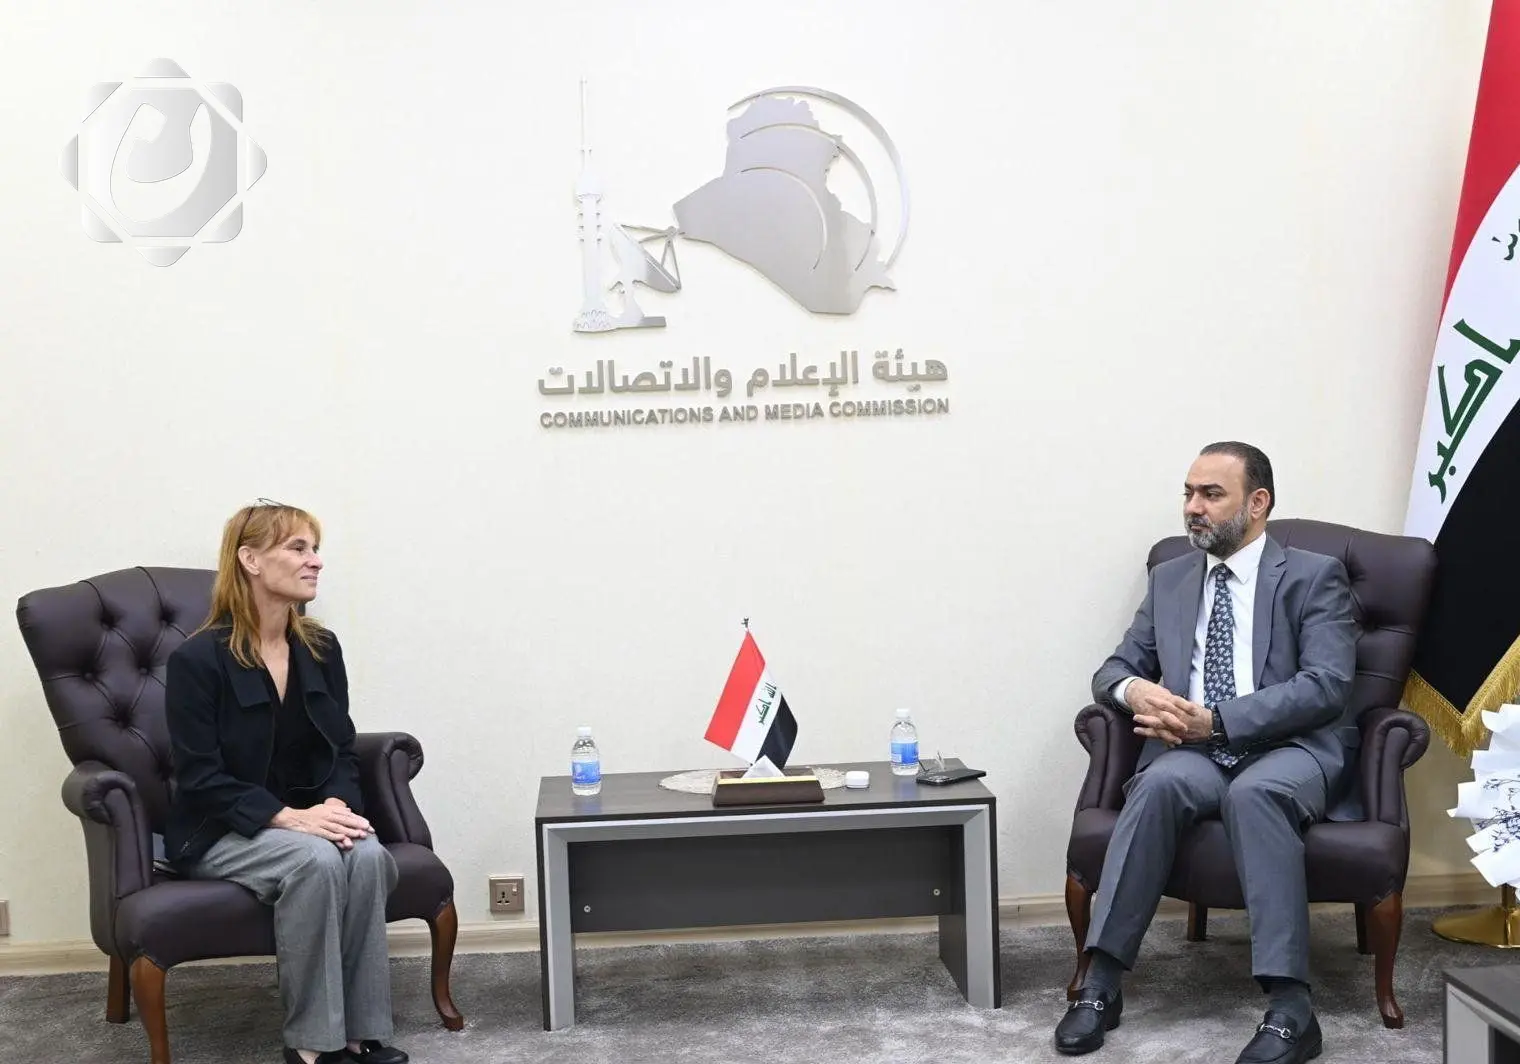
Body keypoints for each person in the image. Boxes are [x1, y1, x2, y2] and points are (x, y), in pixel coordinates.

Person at [1055, 443, 1356, 1064]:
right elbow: (1113, 669)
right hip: (1194, 753)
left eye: (1211, 494)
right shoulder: (1170, 578)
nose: (1193, 507)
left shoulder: (1313, 575)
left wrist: (1218, 721)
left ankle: (1291, 1008)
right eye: (1188, 493)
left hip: (1288, 747)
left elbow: (1326, 685)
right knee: (1156, 786)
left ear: (1257, 502)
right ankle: (1101, 985)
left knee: (1256, 793)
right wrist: (1135, 690)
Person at [165, 501, 407, 1064]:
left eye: (315, 549)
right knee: (314, 861)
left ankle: (361, 1033)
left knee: (367, 854)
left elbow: (341, 747)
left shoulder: (321, 649)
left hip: (305, 818)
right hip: (221, 830)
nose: (315, 561)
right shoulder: (196, 660)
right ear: (250, 560)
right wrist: (290, 820)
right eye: (298, 548)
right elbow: (199, 776)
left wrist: (336, 808)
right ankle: (312, 1044)